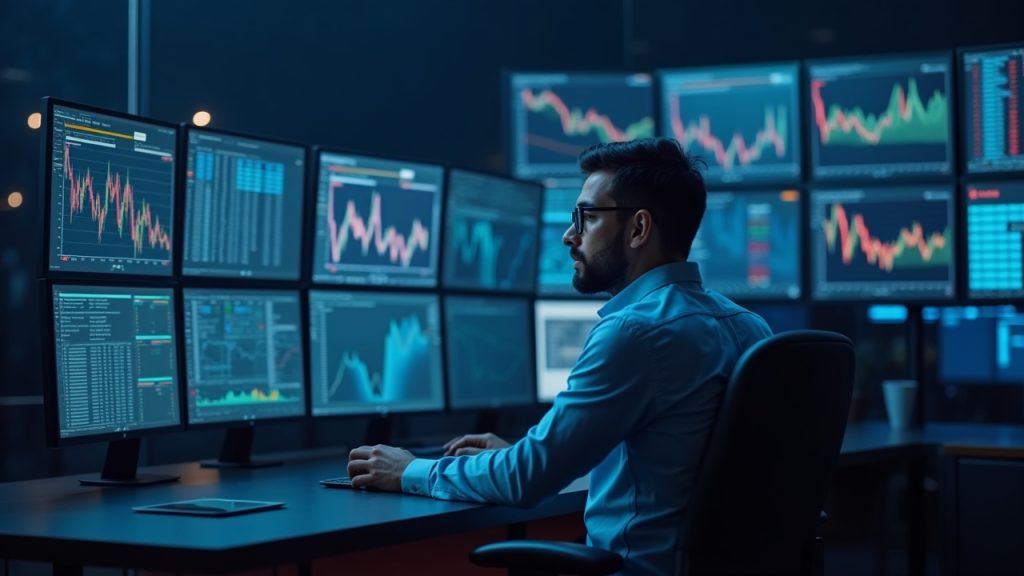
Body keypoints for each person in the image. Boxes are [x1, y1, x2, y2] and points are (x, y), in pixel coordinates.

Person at [347, 137, 772, 574]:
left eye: (587, 217)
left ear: (639, 228)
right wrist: (526, 454)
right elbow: (679, 467)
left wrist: (411, 470)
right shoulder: (750, 328)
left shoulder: (634, 332)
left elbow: (527, 479)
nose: (571, 235)